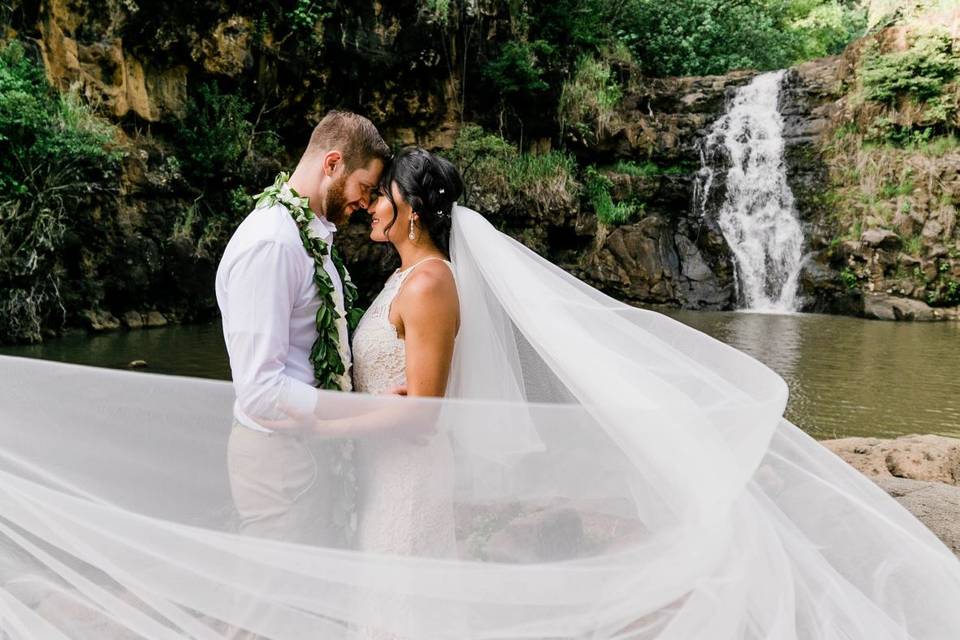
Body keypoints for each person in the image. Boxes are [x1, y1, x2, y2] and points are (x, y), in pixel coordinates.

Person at [215, 109, 388, 546]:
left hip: (307, 448)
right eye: (364, 188)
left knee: (304, 603)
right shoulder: (272, 243)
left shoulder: (307, 235)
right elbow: (260, 391)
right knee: (275, 605)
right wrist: (364, 414)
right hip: (279, 460)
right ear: (332, 164)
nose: (366, 204)